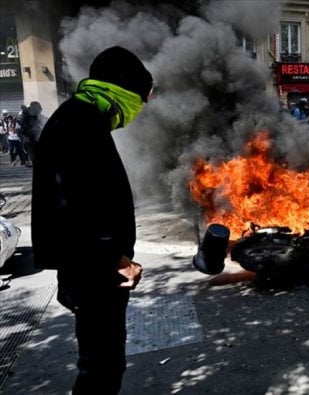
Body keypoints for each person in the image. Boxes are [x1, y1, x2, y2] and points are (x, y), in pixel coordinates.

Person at [31, 46, 151, 394]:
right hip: (94, 273)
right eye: (142, 96)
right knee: (102, 367)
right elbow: (76, 207)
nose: (143, 106)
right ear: (124, 88)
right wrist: (115, 261)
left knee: (103, 364)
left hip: (88, 269)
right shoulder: (80, 124)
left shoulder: (82, 118)